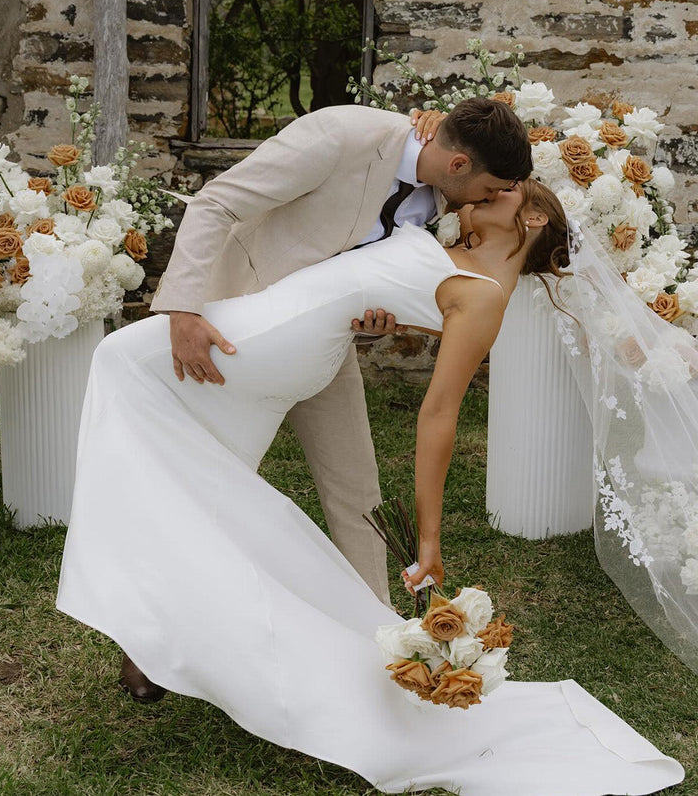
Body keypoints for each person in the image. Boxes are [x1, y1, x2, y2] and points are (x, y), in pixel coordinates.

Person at [56, 180, 683, 796]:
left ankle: (162, 627)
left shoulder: (486, 299)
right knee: (194, 477)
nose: (492, 186)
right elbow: (378, 279)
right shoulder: (446, 238)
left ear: (537, 219)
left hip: (272, 340)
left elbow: (439, 416)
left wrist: (429, 541)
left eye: (511, 187)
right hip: (282, 325)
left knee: (121, 368)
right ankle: (161, 630)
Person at [149, 97, 532, 611]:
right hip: (238, 331)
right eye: (489, 189)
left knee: (356, 486)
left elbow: (364, 277)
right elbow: (217, 202)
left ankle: (377, 624)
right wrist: (184, 310)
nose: (481, 203)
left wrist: (373, 327)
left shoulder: (444, 190)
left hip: (322, 346)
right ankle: (151, 634)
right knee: (218, 483)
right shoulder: (340, 134)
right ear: (459, 164)